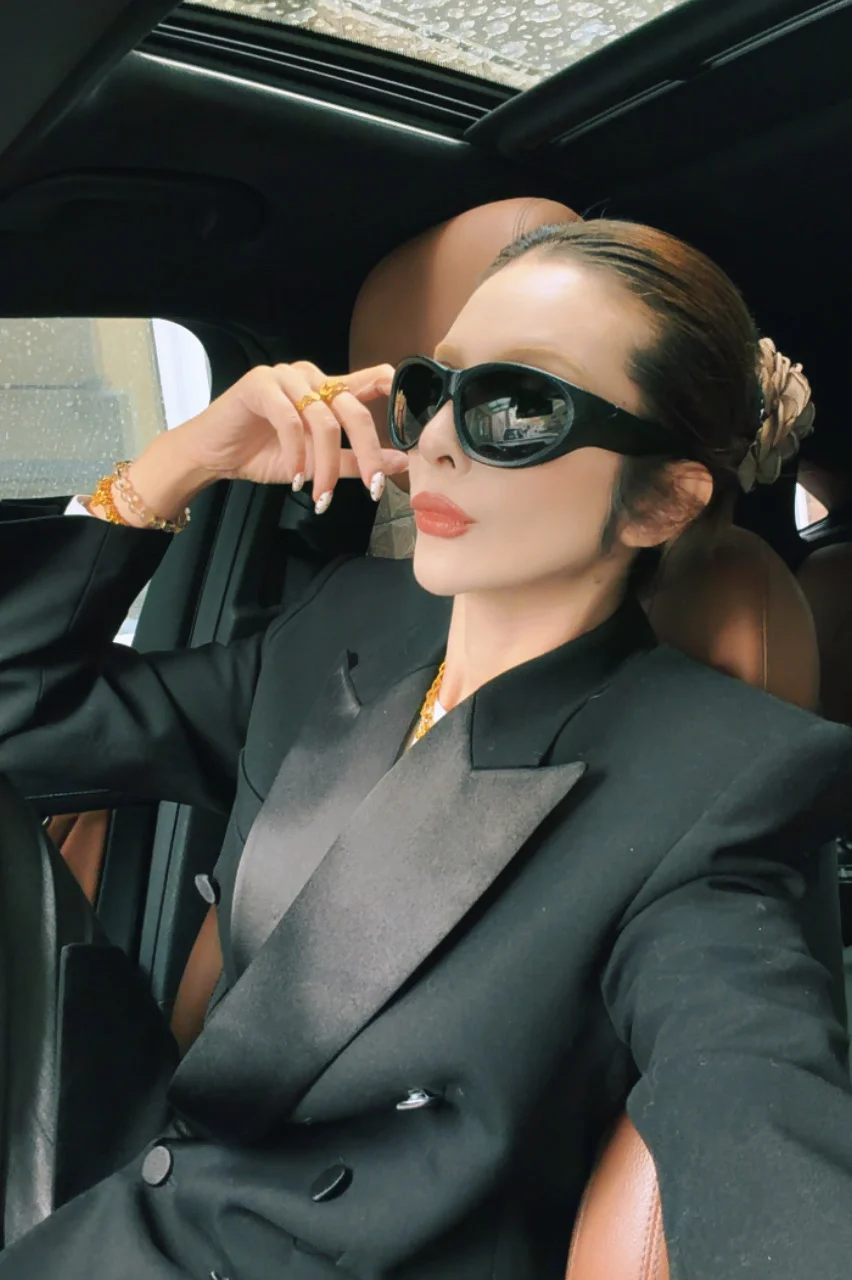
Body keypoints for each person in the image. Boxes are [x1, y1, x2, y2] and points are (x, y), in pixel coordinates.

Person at [1, 218, 851, 1280]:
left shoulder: (718, 779)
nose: (437, 440)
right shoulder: (345, 627)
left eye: (518, 405)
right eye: (431, 388)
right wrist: (187, 457)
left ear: (661, 500)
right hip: (119, 1201)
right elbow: (22, 714)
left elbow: (758, 1111)